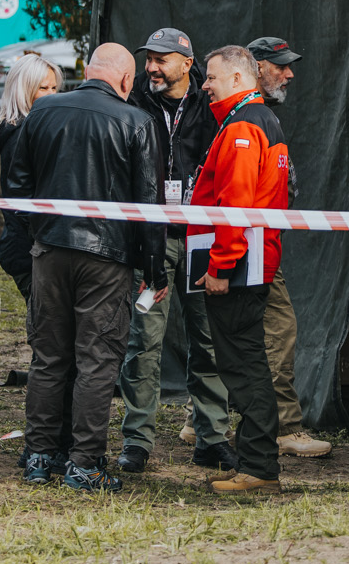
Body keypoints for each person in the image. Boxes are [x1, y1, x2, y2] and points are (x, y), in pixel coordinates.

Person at [2, 43, 167, 492]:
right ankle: (84, 464)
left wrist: (42, 232)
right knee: (97, 362)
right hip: (107, 260)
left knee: (49, 357)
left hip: (49, 252)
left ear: (87, 71)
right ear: (127, 80)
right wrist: (156, 270)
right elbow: (149, 204)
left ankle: (38, 455)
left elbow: (16, 190)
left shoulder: (43, 113)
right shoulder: (137, 121)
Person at [117, 28, 236, 475]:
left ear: (187, 64)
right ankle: (137, 440)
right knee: (144, 338)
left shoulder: (214, 106)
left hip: (201, 236)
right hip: (152, 238)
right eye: (148, 59)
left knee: (206, 337)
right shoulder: (134, 106)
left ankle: (211, 436)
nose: (151, 67)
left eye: (161, 60)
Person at [188, 46, 293, 494]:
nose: (205, 85)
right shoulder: (257, 120)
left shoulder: (243, 127)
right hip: (250, 260)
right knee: (246, 362)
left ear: (236, 79)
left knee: (244, 365)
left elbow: (235, 204)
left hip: (239, 266)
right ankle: (255, 461)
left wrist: (220, 267)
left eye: (211, 77)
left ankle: (259, 467)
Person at [247, 35, 331, 459]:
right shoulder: (251, 115)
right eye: (280, 65)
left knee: (231, 330)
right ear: (256, 67)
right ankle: (285, 426)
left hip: (250, 240)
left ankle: (201, 419)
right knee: (278, 328)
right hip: (251, 241)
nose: (289, 73)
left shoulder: (244, 113)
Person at [0, 53, 60, 303]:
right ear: (24, 90)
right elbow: (20, 202)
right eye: (43, 88)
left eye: (54, 87)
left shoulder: (34, 128)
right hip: (30, 252)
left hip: (34, 248)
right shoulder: (21, 134)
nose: (52, 94)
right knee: (48, 328)